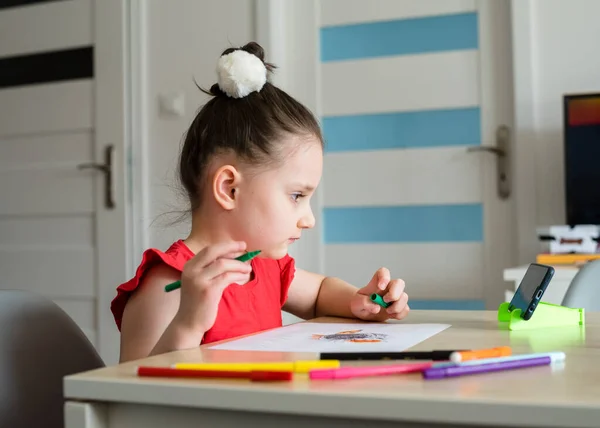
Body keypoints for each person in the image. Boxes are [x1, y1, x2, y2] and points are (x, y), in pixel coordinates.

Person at [112, 42, 410, 363]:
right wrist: (190, 322)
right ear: (229, 188)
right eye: (297, 196)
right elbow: (130, 395)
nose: (308, 219)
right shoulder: (167, 284)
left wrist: (360, 301)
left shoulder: (262, 265)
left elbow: (319, 294)